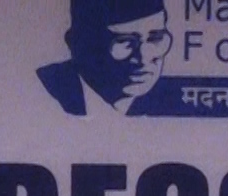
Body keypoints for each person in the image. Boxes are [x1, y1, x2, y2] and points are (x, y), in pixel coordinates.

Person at [35, 0, 177, 117]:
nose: (143, 58)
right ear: (79, 44)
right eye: (124, 41)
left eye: (155, 38)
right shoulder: (46, 91)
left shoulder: (169, 99)